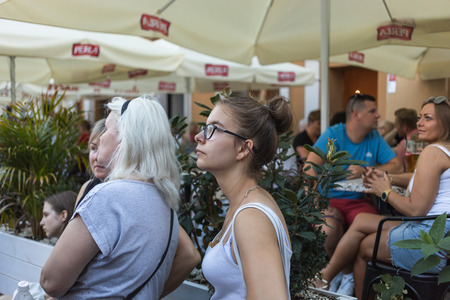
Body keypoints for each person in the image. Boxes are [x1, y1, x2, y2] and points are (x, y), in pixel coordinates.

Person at [40, 96, 182, 299]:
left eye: (106, 129)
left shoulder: (106, 197)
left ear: (125, 138)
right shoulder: (165, 202)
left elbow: (50, 281)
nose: (101, 136)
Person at [316, 96, 450, 299]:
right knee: (361, 220)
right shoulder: (444, 151)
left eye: (427, 118)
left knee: (364, 247)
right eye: (420, 117)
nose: (419, 123)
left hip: (430, 242)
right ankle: (324, 279)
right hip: (440, 235)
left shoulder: (432, 153)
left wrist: (385, 191)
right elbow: (420, 179)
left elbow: (416, 210)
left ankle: (328, 281)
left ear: (445, 123)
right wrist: (388, 177)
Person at [74, 117, 201, 297]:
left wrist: (146, 293)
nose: (96, 156)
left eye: (103, 147)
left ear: (122, 150)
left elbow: (190, 256)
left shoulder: (140, 196)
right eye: (93, 148)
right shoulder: (87, 188)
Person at [305, 93, 403, 295]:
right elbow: (309, 168)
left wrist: (369, 169)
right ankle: (345, 273)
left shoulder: (374, 137)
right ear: (356, 114)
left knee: (373, 232)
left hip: (359, 201)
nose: (378, 115)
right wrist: (314, 201)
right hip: (330, 199)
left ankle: (345, 277)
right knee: (328, 230)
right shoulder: (334, 133)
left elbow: (398, 167)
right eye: (372, 111)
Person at [196, 94, 292, 299]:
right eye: (205, 127)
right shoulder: (245, 204)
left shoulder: (251, 217)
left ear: (242, 148)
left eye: (213, 129)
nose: (199, 136)